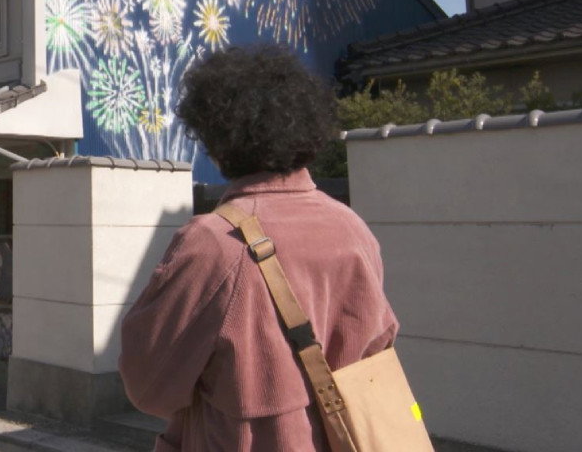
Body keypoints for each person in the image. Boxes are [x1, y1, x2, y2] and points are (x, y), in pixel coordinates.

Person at [118, 45, 399, 452]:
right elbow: (375, 350)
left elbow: (148, 386)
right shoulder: (351, 229)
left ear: (216, 138)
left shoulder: (214, 244)